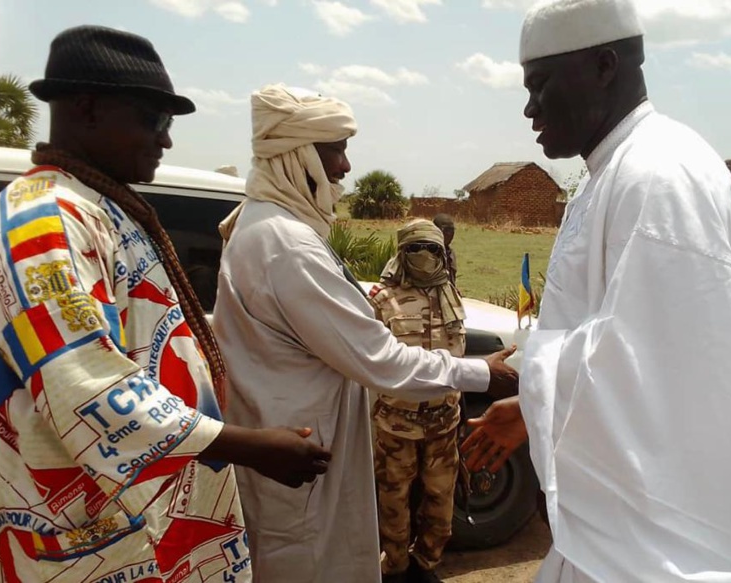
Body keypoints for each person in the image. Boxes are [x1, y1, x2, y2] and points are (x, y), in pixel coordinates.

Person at [0, 27, 330, 583]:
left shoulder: (96, 206)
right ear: (87, 107)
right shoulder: (43, 219)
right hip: (87, 532)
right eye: (154, 120)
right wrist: (243, 445)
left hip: (139, 518)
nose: (166, 141)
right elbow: (79, 378)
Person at [461, 1, 731, 581]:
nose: (529, 108)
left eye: (540, 85)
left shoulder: (659, 173)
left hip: (661, 545)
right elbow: (605, 329)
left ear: (604, 65)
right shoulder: (616, 169)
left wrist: (535, 389)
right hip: (618, 533)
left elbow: (656, 361)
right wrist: (533, 402)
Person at [212, 85, 518, 583]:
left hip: (304, 450)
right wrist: (481, 373)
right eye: (335, 148)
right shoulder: (287, 246)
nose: (346, 166)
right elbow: (382, 361)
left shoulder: (265, 226)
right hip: (305, 467)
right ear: (298, 155)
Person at [370, 219, 465, 583]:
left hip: (444, 422)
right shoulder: (382, 300)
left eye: (431, 248)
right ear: (401, 252)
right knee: (393, 505)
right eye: (414, 248)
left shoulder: (450, 295)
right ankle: (394, 568)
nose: (424, 256)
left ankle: (426, 564)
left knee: (440, 503)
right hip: (397, 424)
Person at [432, 213, 457, 285]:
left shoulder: (451, 254)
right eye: (446, 230)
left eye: (451, 230)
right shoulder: (428, 252)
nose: (449, 234)